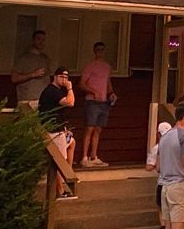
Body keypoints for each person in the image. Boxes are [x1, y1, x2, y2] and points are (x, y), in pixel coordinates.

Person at [38, 67, 77, 198]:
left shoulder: (58, 91)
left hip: (59, 128)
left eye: (66, 78)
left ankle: (68, 174)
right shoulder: (52, 91)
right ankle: (59, 190)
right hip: (53, 131)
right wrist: (70, 88)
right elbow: (70, 103)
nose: (64, 80)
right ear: (55, 77)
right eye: (61, 77)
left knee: (72, 143)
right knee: (59, 160)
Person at [79, 41, 116, 168]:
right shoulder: (90, 66)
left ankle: (93, 156)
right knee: (90, 128)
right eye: (98, 50)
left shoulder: (106, 67)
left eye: (102, 49)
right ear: (94, 51)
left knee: (98, 129)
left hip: (104, 102)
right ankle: (84, 157)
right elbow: (82, 83)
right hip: (92, 101)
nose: (100, 52)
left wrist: (111, 93)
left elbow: (108, 82)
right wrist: (93, 91)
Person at [146, 121, 173, 229]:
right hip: (177, 182)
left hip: (163, 181)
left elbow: (151, 167)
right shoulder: (176, 146)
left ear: (158, 134)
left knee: (162, 208)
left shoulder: (157, 147)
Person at [12, 30, 51, 110]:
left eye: (43, 40)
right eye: (38, 39)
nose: (41, 42)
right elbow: (14, 78)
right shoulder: (23, 58)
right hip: (27, 99)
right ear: (33, 40)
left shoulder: (46, 58)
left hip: (43, 99)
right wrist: (33, 74)